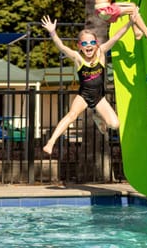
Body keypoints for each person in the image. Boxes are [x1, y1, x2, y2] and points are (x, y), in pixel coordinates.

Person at [41, 14, 136, 155]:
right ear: (80, 46)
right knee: (71, 115)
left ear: (96, 43)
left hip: (99, 97)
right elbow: (61, 47)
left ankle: (98, 117)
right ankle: (51, 142)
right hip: (84, 95)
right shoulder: (78, 57)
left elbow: (116, 37)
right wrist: (53, 32)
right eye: (84, 44)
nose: (89, 46)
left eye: (92, 43)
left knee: (114, 125)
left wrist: (130, 23)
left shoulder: (101, 52)